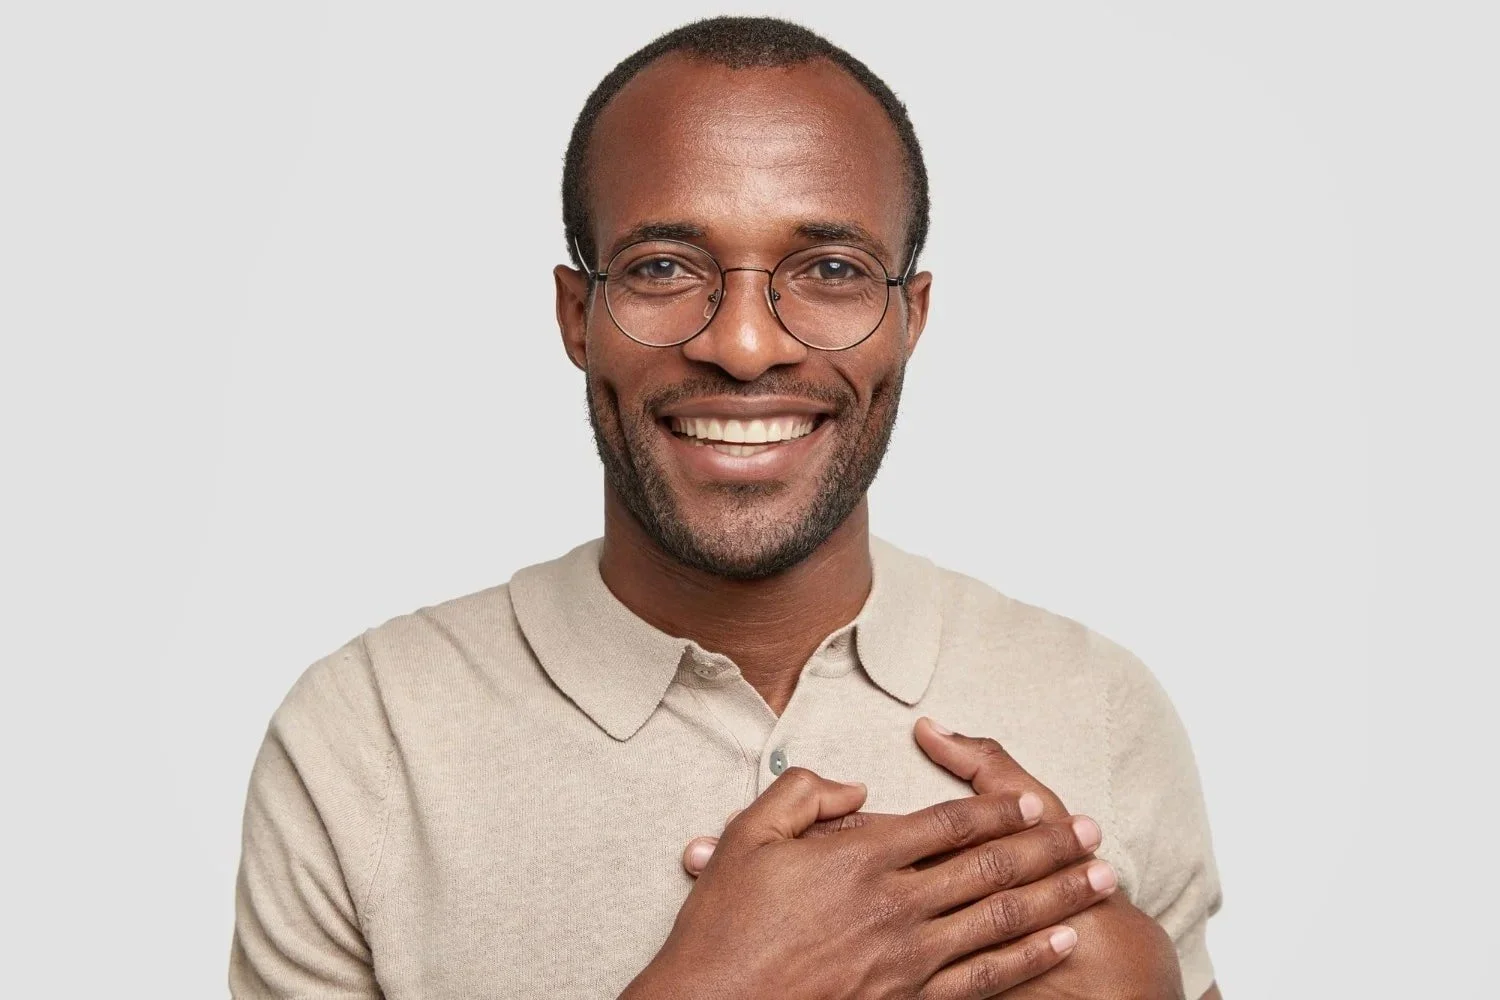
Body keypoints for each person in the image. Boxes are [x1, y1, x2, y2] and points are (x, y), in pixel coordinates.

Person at [230, 15, 1222, 999]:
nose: (745, 345)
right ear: (579, 316)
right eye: (665, 266)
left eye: (830, 270)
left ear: (909, 318)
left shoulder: (1098, 706)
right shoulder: (365, 739)